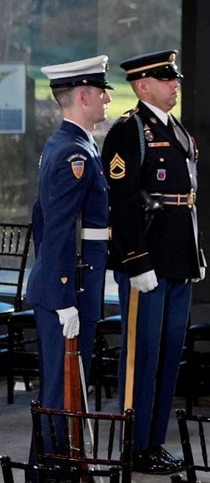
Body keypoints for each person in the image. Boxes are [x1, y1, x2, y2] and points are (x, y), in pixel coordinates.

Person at [102, 50, 205, 475]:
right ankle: (134, 443)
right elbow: (122, 204)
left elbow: (188, 202)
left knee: (167, 354)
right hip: (147, 264)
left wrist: (194, 255)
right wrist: (137, 262)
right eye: (166, 79)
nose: (175, 84)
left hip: (178, 260)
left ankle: (153, 442)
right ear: (143, 86)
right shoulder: (129, 131)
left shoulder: (177, 130)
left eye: (175, 78)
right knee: (142, 355)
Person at [28, 55, 113, 413]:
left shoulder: (71, 144)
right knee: (62, 392)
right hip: (69, 288)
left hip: (70, 282)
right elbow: (59, 227)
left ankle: (53, 467)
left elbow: (40, 217)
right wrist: (63, 295)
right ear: (82, 97)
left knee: (68, 388)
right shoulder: (73, 153)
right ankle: (53, 469)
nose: (107, 99)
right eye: (101, 92)